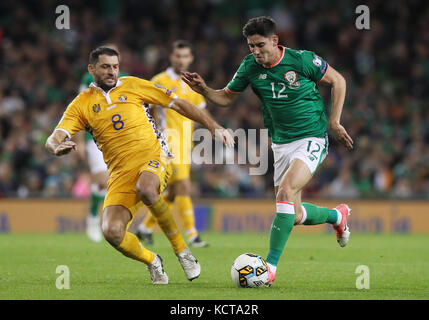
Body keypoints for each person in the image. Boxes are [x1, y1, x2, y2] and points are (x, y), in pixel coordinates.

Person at [182, 16, 354, 287]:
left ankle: (269, 269)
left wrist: (334, 121)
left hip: (311, 137)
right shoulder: (249, 66)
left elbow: (339, 81)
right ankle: (337, 216)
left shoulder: (302, 60)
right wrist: (204, 90)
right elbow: (226, 97)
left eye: (260, 45)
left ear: (275, 40)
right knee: (294, 214)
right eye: (251, 46)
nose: (255, 51)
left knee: (285, 193)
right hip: (281, 143)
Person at [45, 46, 234, 284]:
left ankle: (183, 252)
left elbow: (178, 103)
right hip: (120, 173)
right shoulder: (81, 104)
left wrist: (214, 127)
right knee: (112, 232)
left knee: (146, 189)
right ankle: (152, 261)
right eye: (105, 67)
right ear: (91, 69)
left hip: (155, 157)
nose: (112, 72)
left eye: (115, 66)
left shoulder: (133, 84)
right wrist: (55, 147)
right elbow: (55, 136)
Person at [136, 40, 208, 248]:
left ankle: (144, 228)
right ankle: (193, 236)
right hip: (168, 141)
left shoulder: (193, 83)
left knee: (175, 191)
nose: (182, 59)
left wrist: (216, 128)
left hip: (186, 143)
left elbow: (200, 111)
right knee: (184, 186)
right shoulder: (160, 80)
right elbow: (145, 109)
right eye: (178, 56)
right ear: (171, 57)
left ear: (191, 58)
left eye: (186, 56)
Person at [77, 43, 127, 243]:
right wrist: (79, 141)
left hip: (119, 137)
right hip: (94, 136)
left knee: (112, 181)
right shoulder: (89, 79)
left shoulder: (125, 79)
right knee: (102, 179)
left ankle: (103, 218)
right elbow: (80, 107)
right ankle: (93, 217)